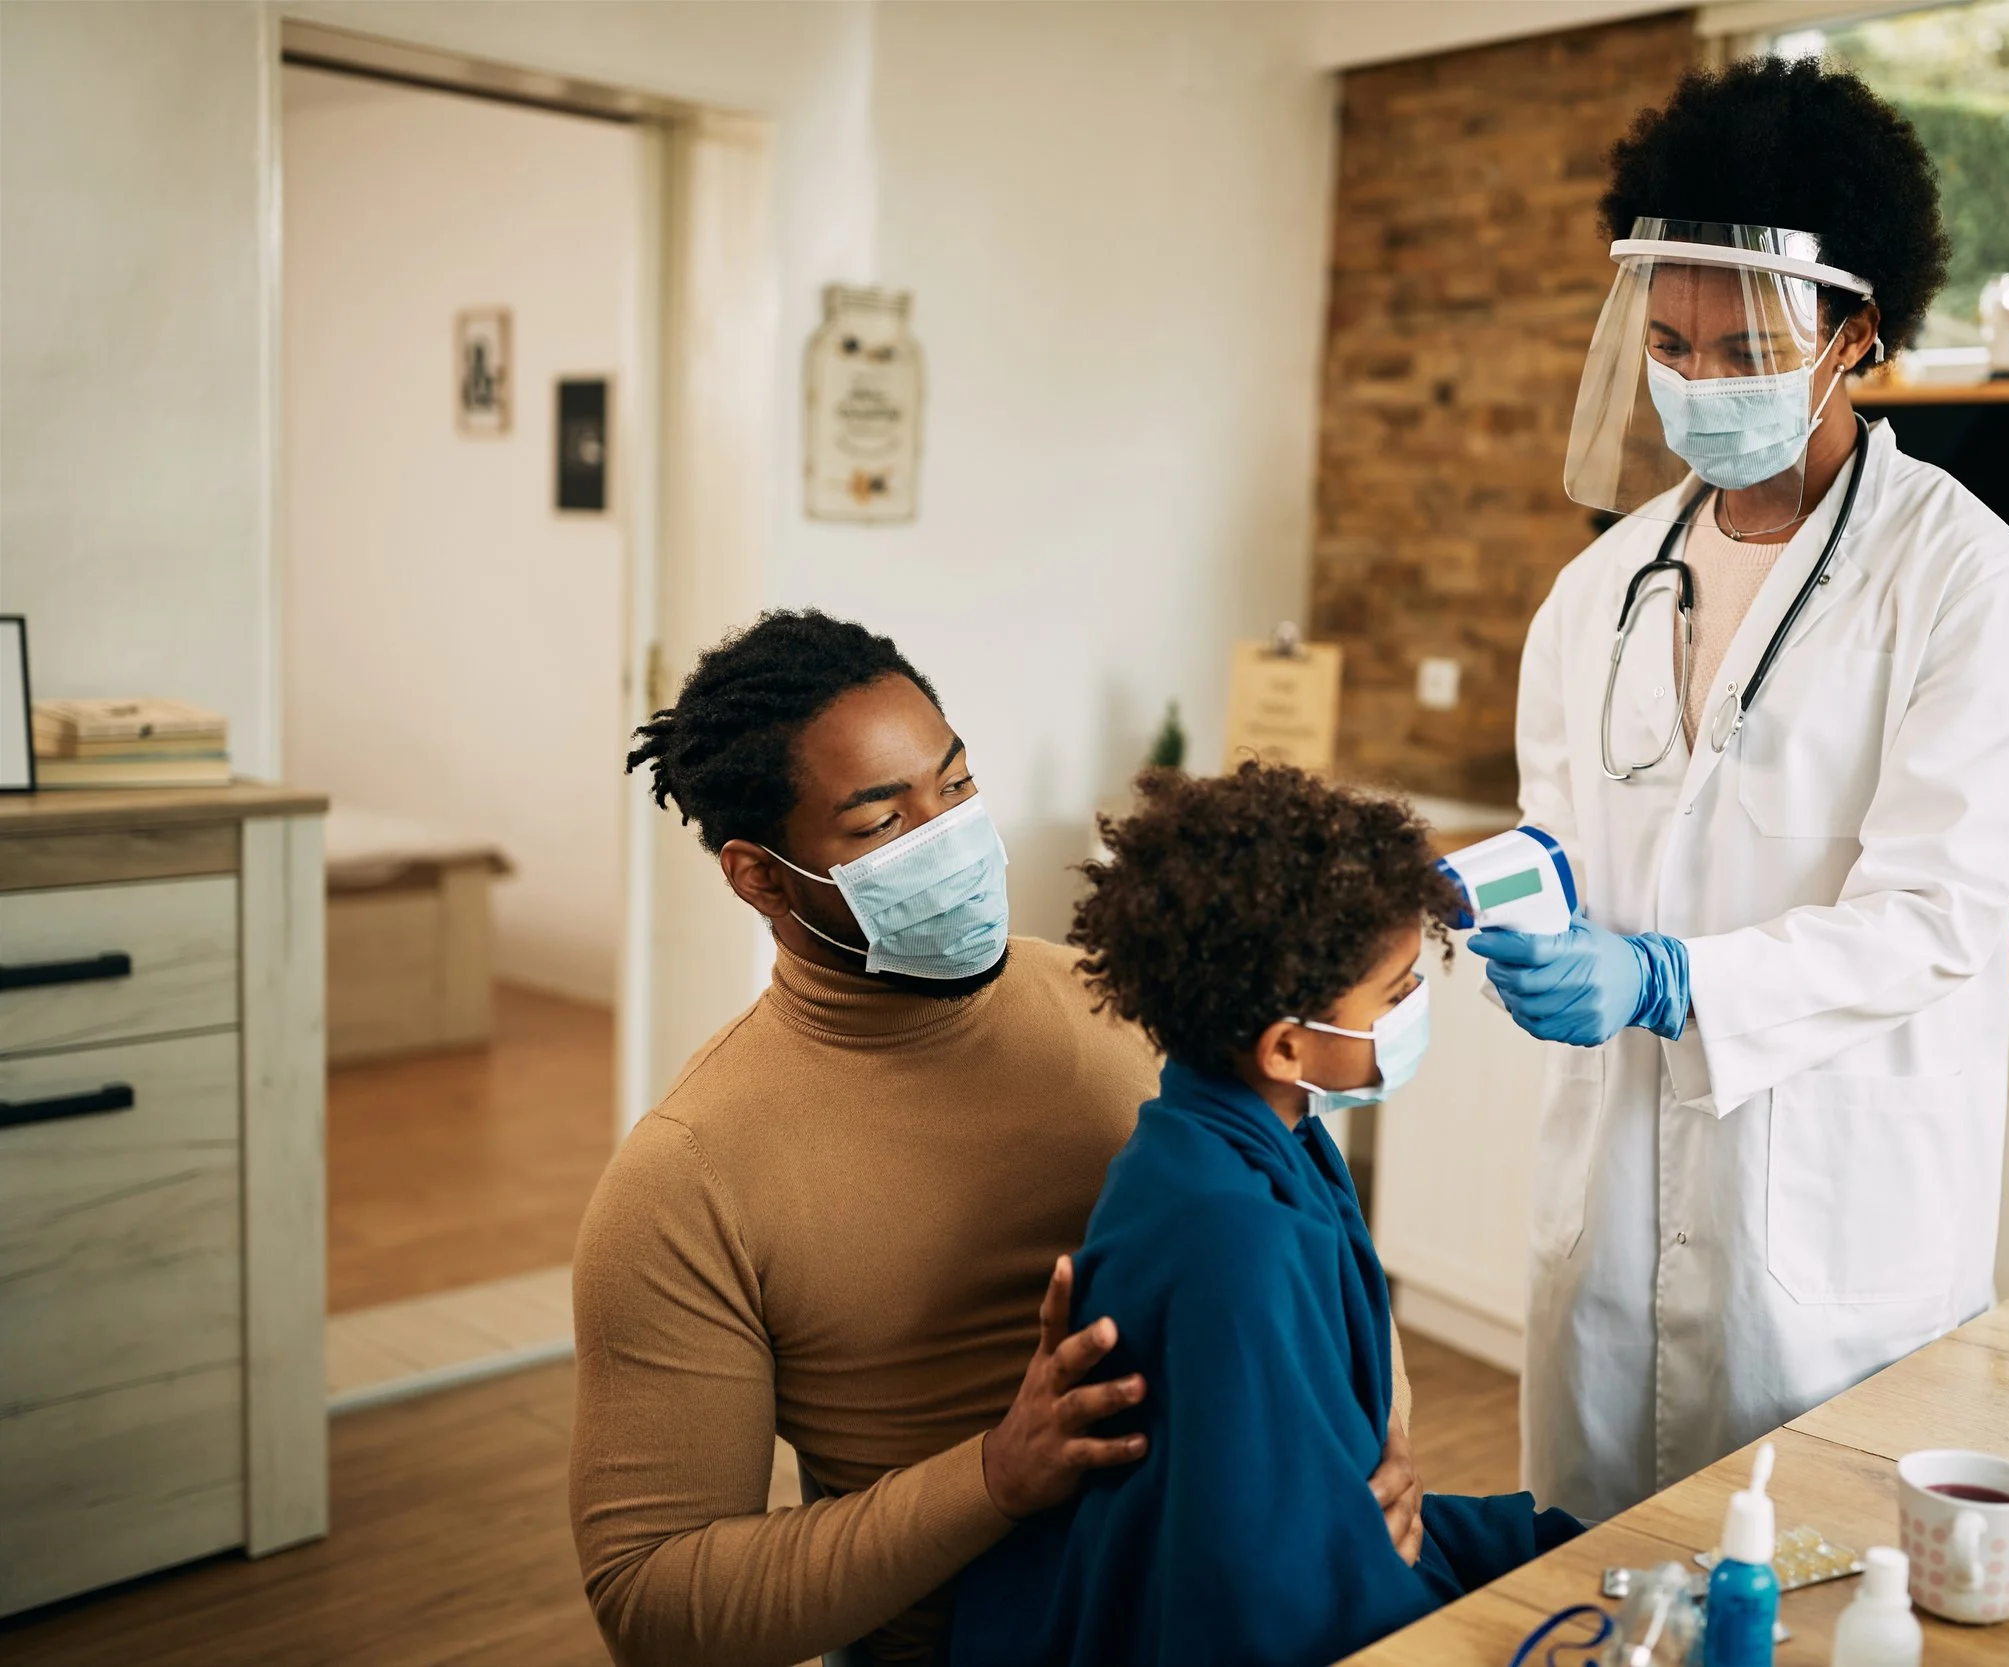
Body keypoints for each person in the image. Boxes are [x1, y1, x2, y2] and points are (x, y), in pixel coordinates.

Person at [568, 613, 1420, 1667]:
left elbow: (1311, 1237)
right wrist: (995, 1473)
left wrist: (1369, 1443)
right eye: (882, 824)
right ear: (761, 875)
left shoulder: (1124, 1003)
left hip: (1270, 1589)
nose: (948, 838)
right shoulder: (688, 1177)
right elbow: (654, 1603)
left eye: (956, 787)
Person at [1474, 58, 2009, 1521]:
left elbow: (1935, 916)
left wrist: (1673, 977)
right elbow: (1568, 837)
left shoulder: (1973, 585)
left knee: (1801, 1578)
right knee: (1587, 1579)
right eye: (1670, 342)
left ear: (1855, 332)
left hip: (1822, 1240)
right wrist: (1513, 903)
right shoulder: (1598, 591)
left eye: (1743, 345)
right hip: (1608, 1223)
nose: (1697, 381)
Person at [950, 764, 1581, 1667]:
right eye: (1396, 991)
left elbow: (1322, 1468)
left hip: (1315, 1551)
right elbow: (1260, 1595)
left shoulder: (1257, 1135)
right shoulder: (1228, 1234)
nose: (1414, 1005)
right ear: (1286, 1046)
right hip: (1233, 1609)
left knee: (1573, 1545)